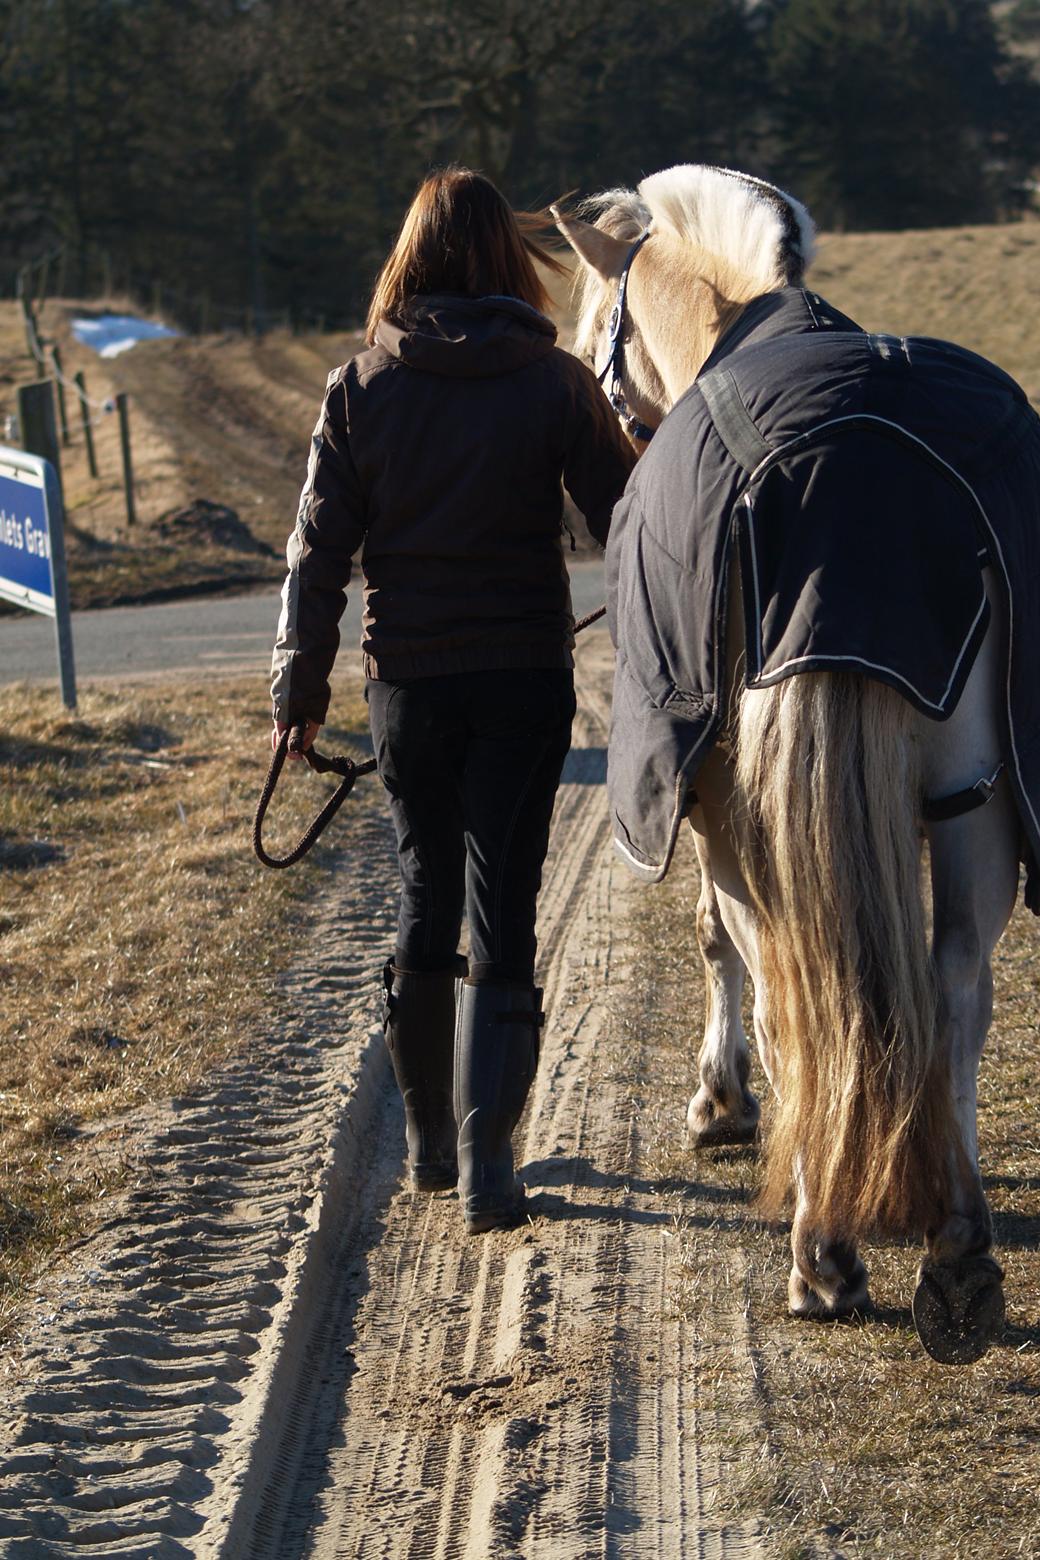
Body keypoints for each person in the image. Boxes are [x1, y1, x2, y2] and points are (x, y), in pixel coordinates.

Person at [269, 167, 636, 1233]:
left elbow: (315, 557)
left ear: (410, 260)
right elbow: (632, 520)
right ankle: (488, 1168)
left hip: (408, 684)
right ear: (506, 262)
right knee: (502, 905)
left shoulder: (360, 388)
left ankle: (430, 1147)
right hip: (523, 675)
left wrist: (297, 694)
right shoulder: (554, 382)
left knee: (425, 888)